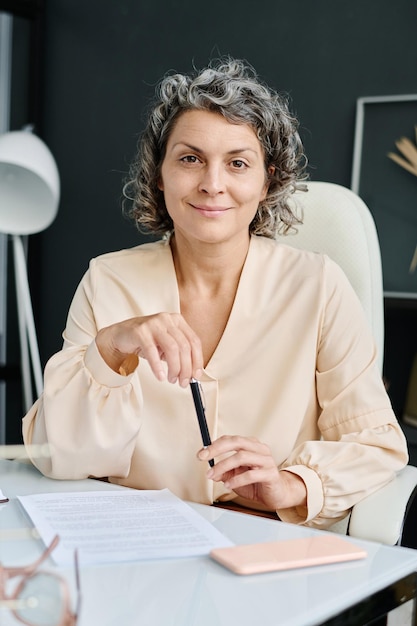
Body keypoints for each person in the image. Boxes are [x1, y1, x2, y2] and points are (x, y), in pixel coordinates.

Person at [23, 57, 408, 530]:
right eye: (190, 158)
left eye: (238, 163)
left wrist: (292, 485)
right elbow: (58, 454)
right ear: (159, 174)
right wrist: (111, 348)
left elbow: (374, 443)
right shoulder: (107, 281)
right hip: (134, 549)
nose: (212, 184)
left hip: (265, 550)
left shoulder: (320, 285)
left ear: (267, 180)